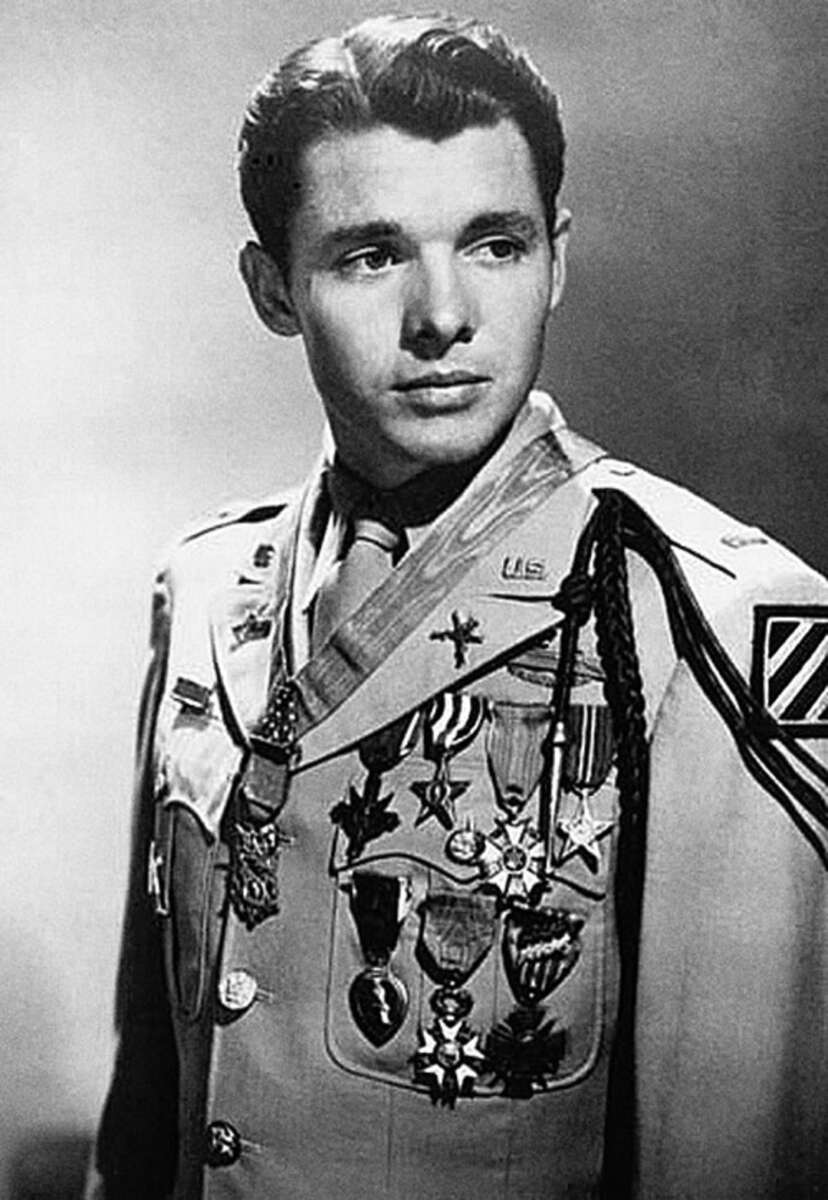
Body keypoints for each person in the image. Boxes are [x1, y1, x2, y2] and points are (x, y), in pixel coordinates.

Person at [89, 13, 828, 1200]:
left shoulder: (711, 619)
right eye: (372, 255)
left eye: (494, 244)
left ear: (560, 258)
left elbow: (734, 1160)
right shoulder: (207, 583)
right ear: (274, 289)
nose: (444, 316)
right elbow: (153, 1106)